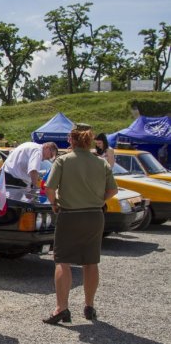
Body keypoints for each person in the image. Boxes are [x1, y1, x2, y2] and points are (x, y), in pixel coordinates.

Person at [43, 123, 118, 324]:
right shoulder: (100, 163)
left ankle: (62, 308)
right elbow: (113, 190)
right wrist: (99, 200)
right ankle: (89, 305)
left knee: (62, 261)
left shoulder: (63, 161)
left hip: (70, 215)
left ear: (72, 140)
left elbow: (49, 188)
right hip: (94, 216)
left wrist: (54, 204)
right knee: (91, 262)